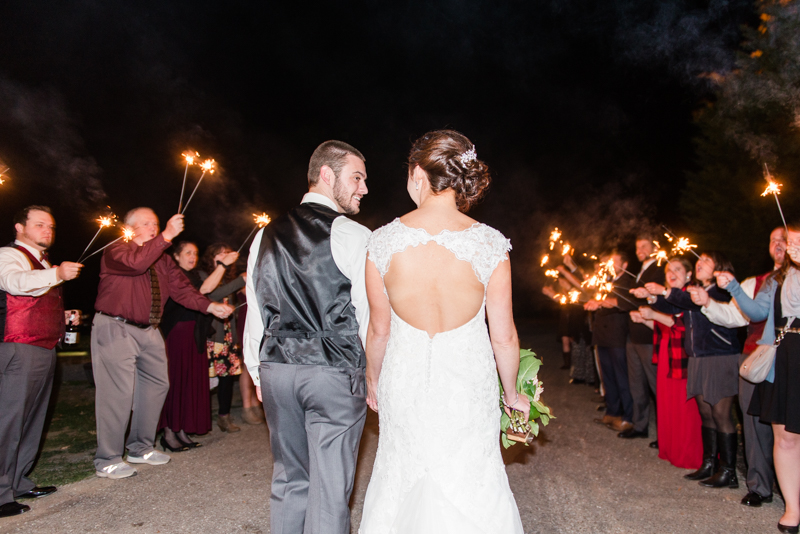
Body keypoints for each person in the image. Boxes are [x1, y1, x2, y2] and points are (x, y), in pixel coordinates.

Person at [359, 130, 525, 533]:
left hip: (406, 380)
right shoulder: (490, 245)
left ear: (418, 174)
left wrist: (372, 379)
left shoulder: (381, 243)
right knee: (471, 479)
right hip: (467, 385)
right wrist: (512, 393)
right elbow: (503, 335)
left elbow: (379, 330)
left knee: (402, 473)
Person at [243, 140, 370, 534]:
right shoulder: (353, 234)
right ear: (327, 175)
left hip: (277, 368)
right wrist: (375, 373)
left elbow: (255, 309)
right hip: (334, 371)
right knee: (330, 490)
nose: (363, 189)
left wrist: (256, 370)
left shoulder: (263, 234)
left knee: (288, 478)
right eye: (357, 177)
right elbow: (368, 315)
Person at [92, 208, 233, 479]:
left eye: (155, 224)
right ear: (129, 228)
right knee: (117, 393)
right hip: (115, 325)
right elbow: (136, 264)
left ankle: (140, 447)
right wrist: (168, 235)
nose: (153, 228)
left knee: (158, 385)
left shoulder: (163, 259)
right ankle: (107, 459)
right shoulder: (117, 250)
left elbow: (182, 290)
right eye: (146, 224)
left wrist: (210, 307)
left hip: (150, 329)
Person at [690, 227, 784, 508]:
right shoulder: (754, 282)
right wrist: (708, 302)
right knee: (754, 425)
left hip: (791, 358)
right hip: (755, 359)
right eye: (772, 240)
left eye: (785, 239)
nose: (778, 244)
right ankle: (759, 486)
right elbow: (734, 315)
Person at [0, 206, 82, 518]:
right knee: (9, 420)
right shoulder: (8, 254)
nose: (47, 230)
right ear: (19, 227)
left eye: (50, 226)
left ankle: (19, 480)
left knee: (33, 420)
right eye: (39, 225)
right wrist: (57, 274)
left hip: (45, 347)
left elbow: (36, 298)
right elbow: (14, 283)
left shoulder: (43, 261)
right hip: (18, 347)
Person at [718, 221, 800, 533]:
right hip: (783, 355)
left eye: (791, 241)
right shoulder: (775, 279)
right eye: (779, 241)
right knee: (785, 437)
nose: (784, 245)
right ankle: (792, 508)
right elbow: (755, 313)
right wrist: (734, 287)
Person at [634, 251, 741, 489]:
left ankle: (728, 471)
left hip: (719, 358)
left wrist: (661, 292)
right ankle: (709, 463)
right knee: (706, 413)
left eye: (705, 261)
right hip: (698, 358)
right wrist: (651, 298)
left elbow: (682, 302)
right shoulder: (696, 292)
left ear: (719, 268)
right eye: (698, 260)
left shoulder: (721, 292)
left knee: (721, 415)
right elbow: (675, 307)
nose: (699, 264)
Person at [157, 241, 242, 450]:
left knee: (190, 383)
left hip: (196, 333)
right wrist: (224, 266)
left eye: (195, 252)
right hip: (177, 332)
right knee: (175, 383)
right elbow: (204, 291)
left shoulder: (195, 274)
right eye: (187, 253)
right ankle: (169, 431)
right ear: (176, 256)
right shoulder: (176, 275)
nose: (192, 256)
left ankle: (183, 429)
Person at [630, 256, 702, 469]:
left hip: (684, 356)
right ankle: (672, 448)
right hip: (666, 354)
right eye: (669, 269)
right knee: (667, 404)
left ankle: (689, 454)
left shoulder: (691, 294)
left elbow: (678, 323)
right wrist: (646, 320)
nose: (672, 273)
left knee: (685, 407)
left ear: (689, 274)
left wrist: (653, 312)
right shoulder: (668, 299)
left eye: (678, 269)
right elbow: (665, 329)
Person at [618, 235, 664, 441]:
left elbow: (661, 299)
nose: (640, 250)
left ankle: (665, 432)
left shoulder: (661, 269)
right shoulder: (639, 272)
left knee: (655, 385)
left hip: (649, 334)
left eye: (644, 246)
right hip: (633, 334)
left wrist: (645, 294)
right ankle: (640, 425)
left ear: (655, 247)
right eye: (637, 247)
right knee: (636, 383)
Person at [198, 243, 248, 432]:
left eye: (228, 254)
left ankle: (224, 417)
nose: (225, 256)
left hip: (228, 335)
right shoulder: (204, 276)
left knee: (227, 379)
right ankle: (201, 417)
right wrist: (239, 281)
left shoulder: (230, 278)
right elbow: (213, 294)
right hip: (212, 336)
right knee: (206, 381)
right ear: (211, 258)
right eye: (220, 254)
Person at [585, 252, 635, 433]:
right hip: (603, 336)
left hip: (618, 336)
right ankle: (612, 412)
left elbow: (628, 301)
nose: (610, 265)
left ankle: (628, 417)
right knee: (608, 377)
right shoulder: (605, 280)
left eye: (614, 262)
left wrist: (602, 301)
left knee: (622, 377)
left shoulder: (628, 281)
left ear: (625, 264)